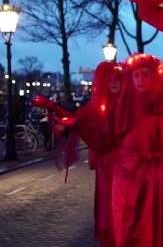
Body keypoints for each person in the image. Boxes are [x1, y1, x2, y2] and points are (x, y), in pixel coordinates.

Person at [109, 53, 163, 247]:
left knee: (149, 231)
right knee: (125, 230)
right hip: (124, 181)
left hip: (152, 183)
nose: (140, 80)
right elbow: (108, 139)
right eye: (136, 76)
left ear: (155, 77)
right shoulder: (120, 108)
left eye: (145, 75)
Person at [32, 61, 123, 246]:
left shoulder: (127, 105)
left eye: (117, 80)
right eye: (110, 80)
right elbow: (74, 118)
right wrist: (52, 106)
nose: (113, 83)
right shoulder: (95, 107)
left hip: (125, 166)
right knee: (108, 206)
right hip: (106, 167)